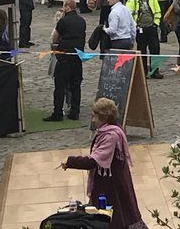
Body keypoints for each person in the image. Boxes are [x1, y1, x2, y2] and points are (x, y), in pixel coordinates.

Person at [61, 98, 147, 229]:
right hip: (110, 181)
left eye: (95, 117)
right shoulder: (109, 131)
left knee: (116, 218)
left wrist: (70, 161)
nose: (93, 120)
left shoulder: (110, 136)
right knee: (118, 215)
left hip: (112, 185)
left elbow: (94, 161)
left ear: (103, 117)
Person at [45, 0, 88, 121]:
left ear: (67, 7)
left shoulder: (63, 21)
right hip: (77, 56)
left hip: (64, 58)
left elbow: (55, 37)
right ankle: (75, 112)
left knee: (60, 87)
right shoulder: (82, 21)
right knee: (76, 86)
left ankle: (57, 112)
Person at [127, 0, 163, 78]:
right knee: (142, 51)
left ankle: (155, 71)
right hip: (140, 29)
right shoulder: (132, 0)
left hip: (152, 28)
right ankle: (143, 72)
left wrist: (156, 24)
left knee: (155, 50)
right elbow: (129, 14)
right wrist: (135, 26)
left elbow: (158, 11)